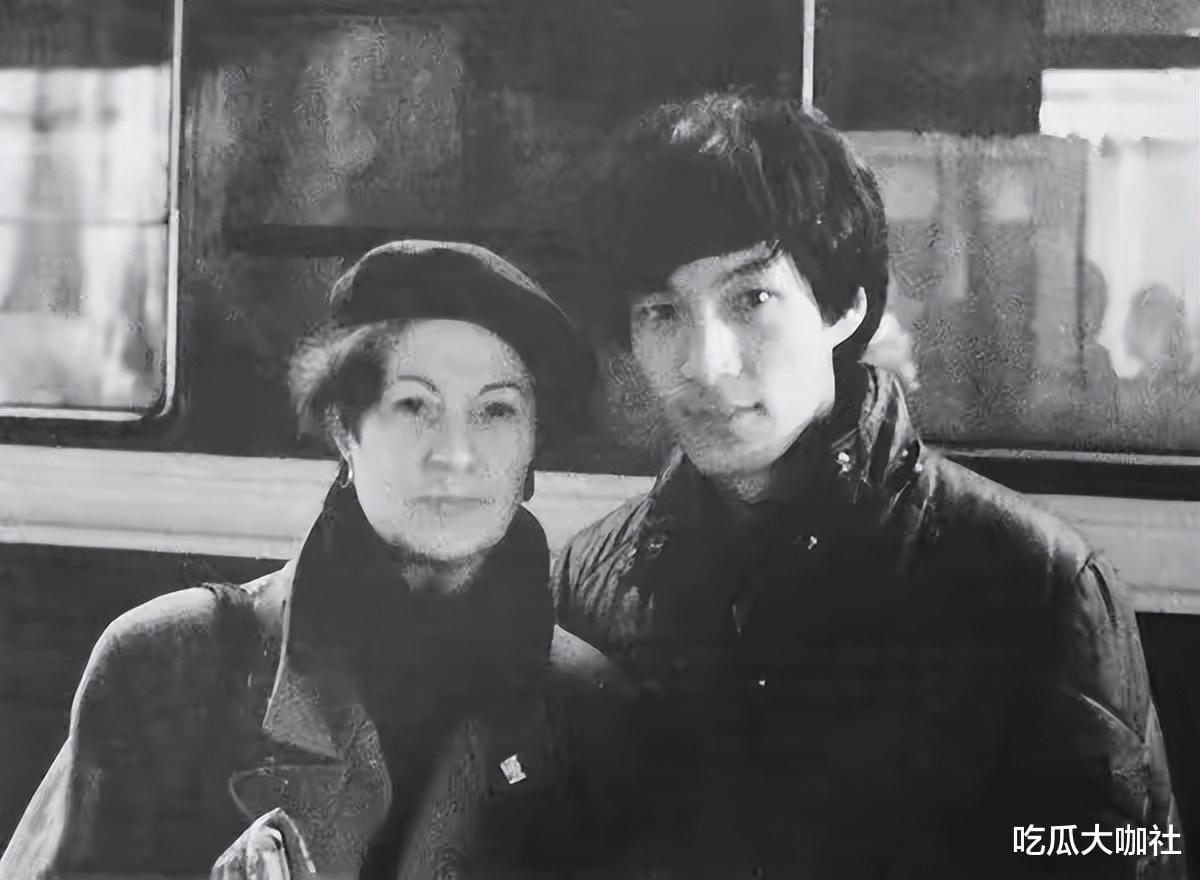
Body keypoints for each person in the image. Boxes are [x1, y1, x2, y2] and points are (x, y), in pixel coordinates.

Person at [552, 93, 1183, 878]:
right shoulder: (590, 582)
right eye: (661, 312)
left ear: (843, 307)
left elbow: (1122, 851)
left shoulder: (1028, 581)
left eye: (751, 299)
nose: (705, 362)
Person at [0, 239, 601, 879]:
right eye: (414, 406)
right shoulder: (166, 664)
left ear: (533, 446)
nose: (456, 454)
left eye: (496, 411)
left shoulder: (593, 710)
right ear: (345, 429)